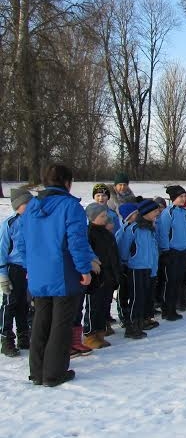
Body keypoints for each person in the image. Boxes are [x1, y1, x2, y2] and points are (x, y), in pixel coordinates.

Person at [19, 164, 99, 386]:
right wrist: (84, 269)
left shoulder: (32, 206)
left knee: (41, 320)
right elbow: (77, 242)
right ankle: (54, 373)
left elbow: (22, 242)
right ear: (67, 182)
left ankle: (37, 371)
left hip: (38, 273)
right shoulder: (69, 206)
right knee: (61, 324)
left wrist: (29, 268)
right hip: (63, 272)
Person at [116, 199, 161, 338]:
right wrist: (125, 263)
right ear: (146, 213)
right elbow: (124, 248)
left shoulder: (150, 228)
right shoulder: (133, 228)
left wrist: (154, 267)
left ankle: (142, 320)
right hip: (136, 268)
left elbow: (153, 250)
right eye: (155, 212)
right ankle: (132, 326)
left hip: (149, 268)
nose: (157, 214)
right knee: (136, 297)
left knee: (145, 296)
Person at [83, 203, 123, 349]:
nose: (106, 218)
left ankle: (100, 331)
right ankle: (89, 333)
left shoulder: (106, 233)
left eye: (106, 215)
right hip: (96, 276)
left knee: (105, 304)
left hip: (109, 274)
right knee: (94, 305)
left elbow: (113, 253)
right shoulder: (89, 233)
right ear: (93, 218)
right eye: (102, 216)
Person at [0, 187, 33, 357]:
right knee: (10, 304)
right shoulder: (9, 224)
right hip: (13, 269)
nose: (29, 206)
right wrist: (3, 275)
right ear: (17, 206)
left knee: (24, 304)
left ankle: (23, 336)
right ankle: (6, 338)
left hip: (29, 270)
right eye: (26, 204)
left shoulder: (34, 222)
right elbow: (2, 251)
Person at [155, 185, 186, 320]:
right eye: (180, 197)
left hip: (183, 251)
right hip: (172, 252)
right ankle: (167, 309)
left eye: (184, 196)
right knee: (169, 282)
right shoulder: (167, 213)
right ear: (173, 198)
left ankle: (174, 306)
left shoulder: (184, 213)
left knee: (178, 281)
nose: (183, 199)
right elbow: (163, 233)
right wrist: (165, 250)